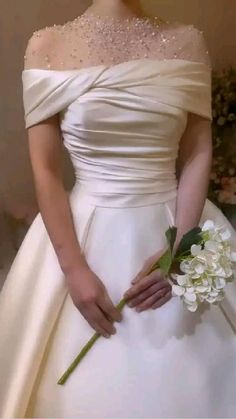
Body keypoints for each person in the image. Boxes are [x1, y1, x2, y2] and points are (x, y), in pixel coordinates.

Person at [1, 0, 236, 417]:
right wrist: (73, 269)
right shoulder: (48, 45)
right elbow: (46, 169)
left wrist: (179, 249)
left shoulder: (186, 41)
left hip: (172, 224)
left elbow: (198, 152)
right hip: (84, 233)